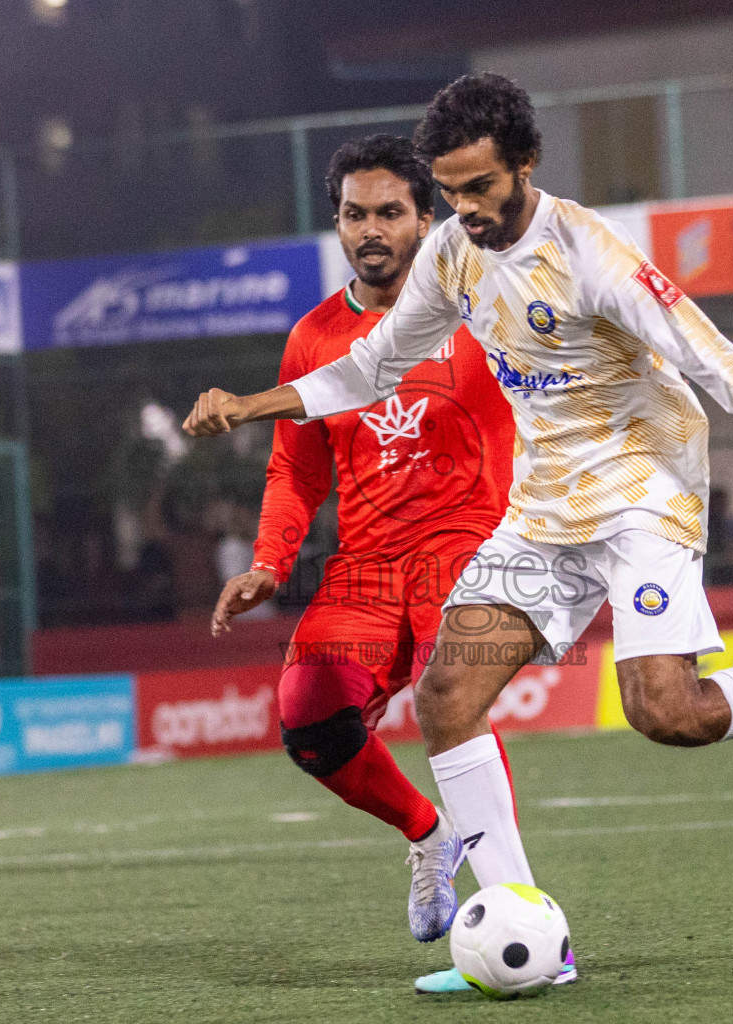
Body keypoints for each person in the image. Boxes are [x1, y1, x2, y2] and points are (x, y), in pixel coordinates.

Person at [184, 74, 733, 993]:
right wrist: (248, 405)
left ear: (525, 165)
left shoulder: (593, 255)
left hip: (642, 490)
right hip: (546, 505)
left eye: (479, 189)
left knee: (667, 713)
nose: (463, 210)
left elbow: (719, 366)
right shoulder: (452, 255)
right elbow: (374, 366)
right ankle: (523, 934)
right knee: (449, 696)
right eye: (451, 191)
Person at [206, 134, 521, 948]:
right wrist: (270, 561)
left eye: (389, 212)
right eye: (354, 214)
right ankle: (427, 834)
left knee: (454, 709)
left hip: (469, 549)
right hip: (368, 567)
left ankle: (515, 912)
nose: (370, 229)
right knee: (308, 713)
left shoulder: (482, 301)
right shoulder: (313, 337)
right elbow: (295, 472)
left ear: (427, 219)